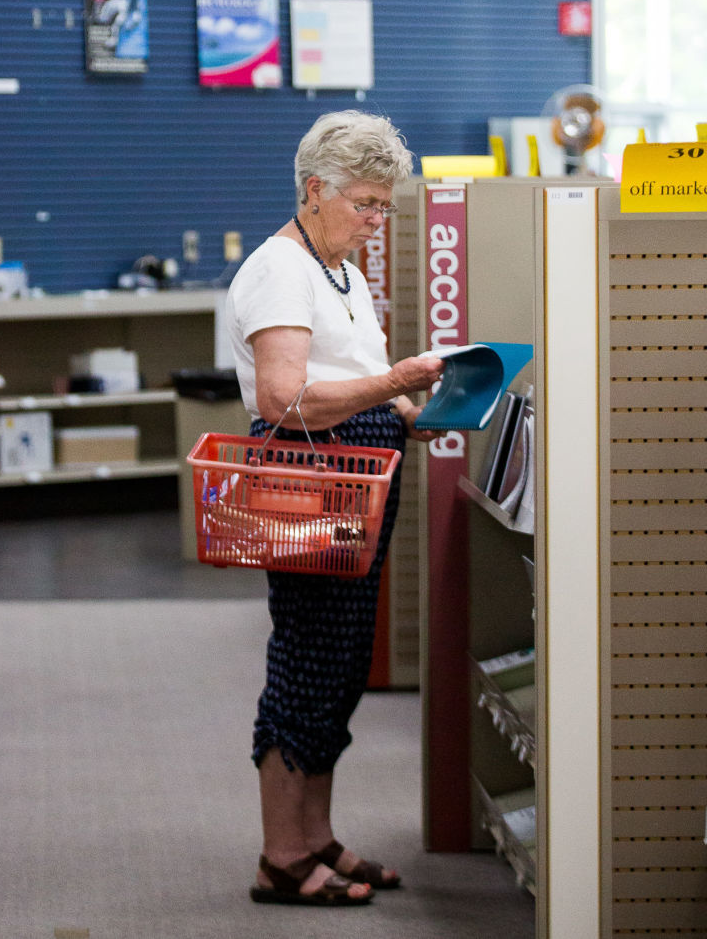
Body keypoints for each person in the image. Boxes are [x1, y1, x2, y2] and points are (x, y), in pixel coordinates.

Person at [225, 110, 442, 909]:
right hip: (309, 484)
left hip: (357, 478)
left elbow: (348, 370)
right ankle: (281, 856)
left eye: (385, 207)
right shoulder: (280, 270)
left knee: (342, 662)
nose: (377, 222)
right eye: (366, 205)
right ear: (315, 190)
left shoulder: (339, 269)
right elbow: (285, 400)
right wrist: (394, 385)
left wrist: (410, 409)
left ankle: (315, 837)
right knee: (307, 661)